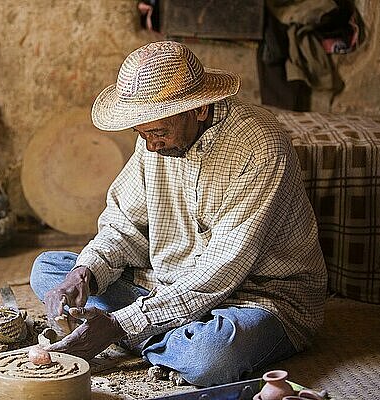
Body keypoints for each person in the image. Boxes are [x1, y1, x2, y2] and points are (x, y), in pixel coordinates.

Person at [30, 41, 327, 387]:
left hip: (257, 300)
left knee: (210, 357)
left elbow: (220, 273)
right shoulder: (153, 139)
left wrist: (119, 325)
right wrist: (84, 274)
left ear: (199, 110)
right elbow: (125, 224)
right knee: (49, 271)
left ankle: (127, 334)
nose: (150, 145)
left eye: (157, 133)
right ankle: (155, 335)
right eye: (141, 133)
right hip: (167, 285)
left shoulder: (261, 146)